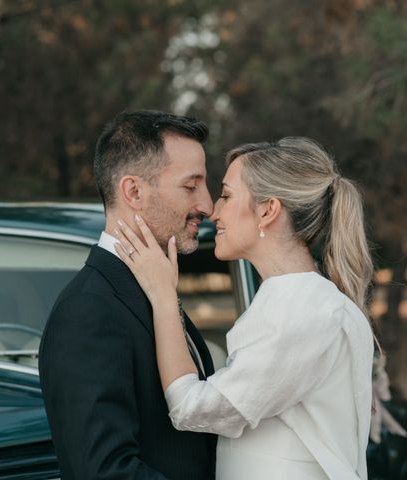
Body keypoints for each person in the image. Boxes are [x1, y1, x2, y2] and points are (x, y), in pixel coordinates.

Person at [115, 137, 376, 479]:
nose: (214, 210)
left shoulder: (301, 312)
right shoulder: (300, 301)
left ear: (268, 210)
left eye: (226, 195)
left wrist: (163, 296)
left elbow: (192, 408)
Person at [38, 110, 218, 479]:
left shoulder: (154, 289)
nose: (207, 205)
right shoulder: (88, 311)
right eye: (191, 186)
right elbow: (105, 471)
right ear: (133, 191)